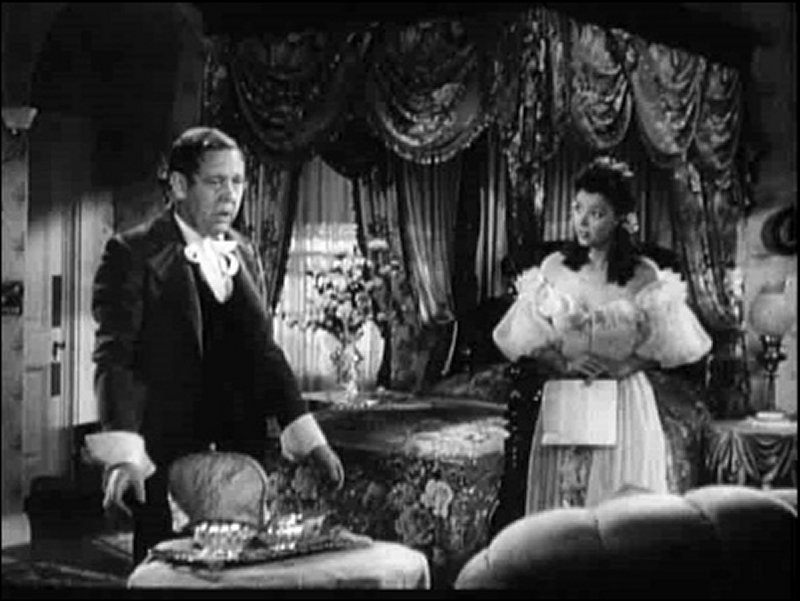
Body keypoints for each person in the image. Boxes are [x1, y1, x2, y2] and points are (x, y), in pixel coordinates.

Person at [86, 127, 345, 563]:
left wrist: (307, 437)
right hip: (164, 454)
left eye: (237, 181)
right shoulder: (132, 252)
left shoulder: (244, 251)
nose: (230, 195)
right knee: (168, 572)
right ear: (179, 185)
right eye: (216, 182)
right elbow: (116, 359)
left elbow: (264, 351)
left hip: (240, 454)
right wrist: (124, 455)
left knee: (243, 570)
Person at [492, 156, 712, 514]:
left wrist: (627, 365)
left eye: (596, 213)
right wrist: (563, 362)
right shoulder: (554, 268)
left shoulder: (644, 274)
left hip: (623, 400)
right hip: (567, 394)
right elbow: (526, 336)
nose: (582, 221)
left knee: (620, 511)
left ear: (619, 218)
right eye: (577, 208)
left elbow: (672, 341)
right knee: (563, 509)